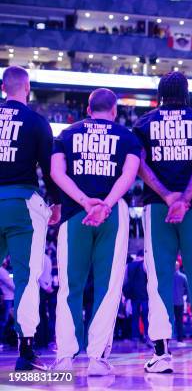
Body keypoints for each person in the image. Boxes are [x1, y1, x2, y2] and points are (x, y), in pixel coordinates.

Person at [134, 71, 192, 373]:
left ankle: (161, 354)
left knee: (158, 278)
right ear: (186, 93)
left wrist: (167, 197)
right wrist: (184, 199)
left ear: (159, 94)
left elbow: (139, 165)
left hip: (157, 207)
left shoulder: (143, 124)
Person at [49, 88, 140, 375]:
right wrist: (105, 204)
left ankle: (65, 356)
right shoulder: (127, 136)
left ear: (88, 110)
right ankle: (97, 359)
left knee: (69, 287)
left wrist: (85, 201)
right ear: (114, 111)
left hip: (76, 214)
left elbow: (56, 173)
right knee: (107, 287)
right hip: (112, 215)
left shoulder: (66, 134)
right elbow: (129, 175)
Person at [0, 66, 61, 370]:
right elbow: (50, 170)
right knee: (25, 278)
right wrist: (57, 203)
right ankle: (25, 351)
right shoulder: (36, 122)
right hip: (22, 202)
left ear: (2, 88)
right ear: (26, 88)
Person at [123, 251, 149, 343]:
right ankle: (147, 335)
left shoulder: (128, 266)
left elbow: (125, 281)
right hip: (145, 295)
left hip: (133, 295)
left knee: (135, 317)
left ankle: (135, 336)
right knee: (146, 317)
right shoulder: (145, 264)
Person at [173, 261, 189, 345]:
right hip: (179, 302)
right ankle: (180, 340)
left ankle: (168, 340)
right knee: (179, 321)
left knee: (169, 321)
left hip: (169, 303)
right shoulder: (183, 277)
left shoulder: (168, 277)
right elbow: (187, 289)